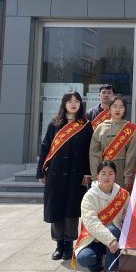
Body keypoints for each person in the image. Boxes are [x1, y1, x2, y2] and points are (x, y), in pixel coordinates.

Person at [36, 91, 93, 262]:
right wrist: (41, 171)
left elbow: (89, 151)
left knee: (71, 209)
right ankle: (58, 243)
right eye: (69, 101)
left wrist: (87, 172)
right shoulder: (55, 124)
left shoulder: (85, 125)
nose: (73, 104)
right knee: (56, 207)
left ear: (80, 104)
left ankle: (69, 243)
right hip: (56, 173)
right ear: (64, 104)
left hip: (76, 174)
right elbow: (45, 147)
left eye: (76, 101)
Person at [74, 160, 129, 272]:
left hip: (114, 235)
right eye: (103, 173)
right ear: (98, 175)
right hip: (92, 238)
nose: (107, 177)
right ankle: (98, 267)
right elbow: (91, 223)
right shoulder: (89, 196)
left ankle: (112, 270)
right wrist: (109, 240)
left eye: (110, 173)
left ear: (115, 175)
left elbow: (128, 216)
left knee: (113, 230)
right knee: (84, 258)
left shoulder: (123, 194)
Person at [89, 95, 136, 191]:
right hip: (103, 169)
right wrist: (95, 176)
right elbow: (94, 153)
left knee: (120, 197)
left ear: (125, 109)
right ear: (109, 109)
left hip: (122, 169)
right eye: (115, 106)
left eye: (121, 107)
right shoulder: (101, 127)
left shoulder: (130, 128)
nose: (118, 109)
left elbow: (131, 155)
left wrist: (128, 176)